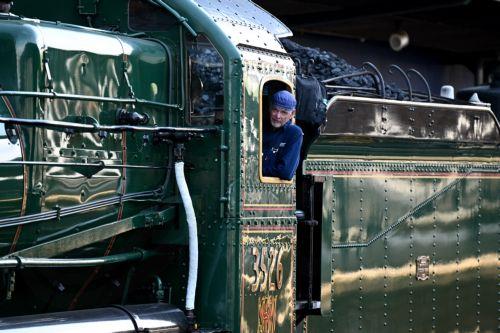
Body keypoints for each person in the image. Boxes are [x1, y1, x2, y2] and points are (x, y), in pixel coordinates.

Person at [262, 90, 303, 180]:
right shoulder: (260, 127)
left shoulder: (294, 133)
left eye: (284, 112)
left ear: (292, 114)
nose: (278, 116)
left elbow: (285, 172)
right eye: (275, 110)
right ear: (269, 108)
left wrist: (259, 170)